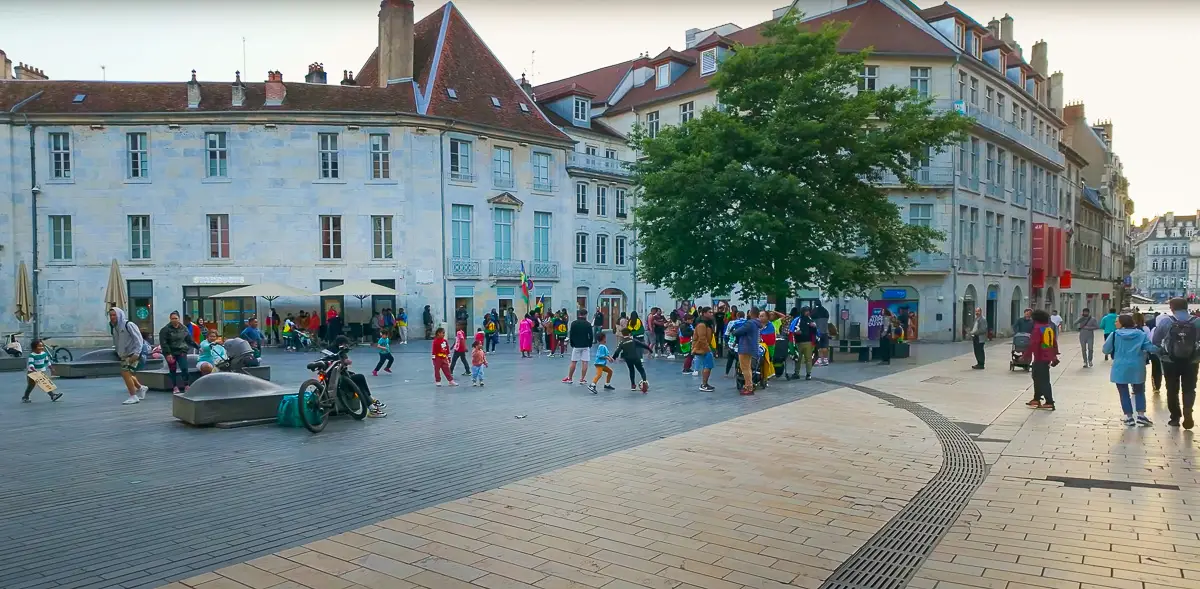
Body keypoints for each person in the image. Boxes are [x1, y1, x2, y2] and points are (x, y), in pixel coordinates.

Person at [1150, 297, 1200, 429]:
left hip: (1169, 361)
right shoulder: (1197, 322)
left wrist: (1161, 354)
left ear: (1171, 308)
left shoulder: (1166, 321)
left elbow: (1155, 341)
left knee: (1172, 389)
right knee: (1189, 388)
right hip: (1192, 361)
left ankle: (1175, 417)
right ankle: (1188, 412)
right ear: (1186, 306)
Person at [1104, 314, 1157, 427]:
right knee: (1139, 391)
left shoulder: (1114, 335)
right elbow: (1150, 348)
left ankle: (1129, 418)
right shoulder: (1141, 334)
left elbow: (1105, 350)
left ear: (1122, 323)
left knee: (1123, 393)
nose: (1115, 323)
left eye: (1117, 321)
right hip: (1137, 366)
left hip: (1120, 367)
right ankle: (1141, 416)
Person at [1022, 309, 1060, 411]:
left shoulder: (1037, 329)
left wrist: (1025, 356)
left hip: (1040, 357)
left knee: (1042, 379)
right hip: (1046, 357)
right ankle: (1036, 398)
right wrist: (1054, 355)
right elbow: (1052, 343)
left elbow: (1033, 344)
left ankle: (1049, 401)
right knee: (1037, 377)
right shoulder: (1047, 328)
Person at [110, 307, 148, 405]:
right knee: (127, 374)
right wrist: (119, 352)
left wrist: (136, 353)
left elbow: (139, 339)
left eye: (114, 315)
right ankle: (141, 388)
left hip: (134, 353)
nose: (112, 317)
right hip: (125, 354)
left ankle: (133, 396)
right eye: (110, 315)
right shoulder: (115, 328)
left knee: (125, 373)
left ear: (119, 315)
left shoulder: (129, 324)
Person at [159, 311, 200, 394]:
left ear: (179, 319)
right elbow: (164, 343)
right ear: (170, 319)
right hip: (171, 352)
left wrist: (198, 347)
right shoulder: (165, 329)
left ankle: (186, 385)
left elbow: (189, 340)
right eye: (172, 319)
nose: (174, 320)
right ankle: (174, 386)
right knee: (172, 369)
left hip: (181, 351)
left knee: (184, 368)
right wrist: (168, 354)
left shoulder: (183, 328)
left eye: (176, 318)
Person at [733, 308, 763, 395]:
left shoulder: (750, 323)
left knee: (744, 368)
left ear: (751, 313)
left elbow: (738, 332)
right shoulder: (757, 323)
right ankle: (748, 385)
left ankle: (749, 387)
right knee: (748, 367)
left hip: (745, 347)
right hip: (751, 347)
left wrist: (734, 331)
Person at [613, 328, 652, 392]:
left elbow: (617, 351)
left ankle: (633, 386)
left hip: (628, 359)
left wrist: (613, 358)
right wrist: (650, 350)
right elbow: (643, 345)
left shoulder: (621, 343)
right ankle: (644, 381)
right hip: (636, 358)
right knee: (641, 370)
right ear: (629, 334)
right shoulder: (633, 340)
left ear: (622, 334)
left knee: (631, 371)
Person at [564, 309, 594, 385]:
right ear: (585, 315)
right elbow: (591, 336)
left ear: (579, 314)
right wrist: (590, 344)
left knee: (573, 361)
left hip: (576, 345)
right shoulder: (588, 324)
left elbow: (571, 334)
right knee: (585, 362)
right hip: (585, 345)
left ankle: (570, 378)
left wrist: (572, 343)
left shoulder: (574, 323)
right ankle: (582, 379)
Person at [692, 308, 716, 391]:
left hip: (703, 348)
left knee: (707, 366)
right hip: (702, 348)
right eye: (709, 312)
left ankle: (705, 383)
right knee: (708, 366)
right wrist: (708, 349)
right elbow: (702, 338)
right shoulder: (702, 325)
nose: (711, 314)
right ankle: (704, 385)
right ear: (704, 313)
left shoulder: (708, 324)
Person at [790, 308, 817, 380]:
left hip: (808, 342)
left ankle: (808, 374)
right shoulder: (798, 320)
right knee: (798, 358)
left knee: (808, 358)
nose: (807, 313)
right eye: (806, 311)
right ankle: (796, 373)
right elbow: (792, 329)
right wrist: (796, 333)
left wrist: (814, 327)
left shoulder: (810, 320)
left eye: (808, 311)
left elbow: (814, 332)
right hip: (798, 342)